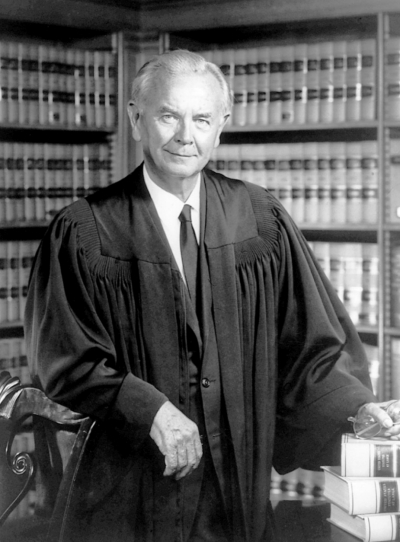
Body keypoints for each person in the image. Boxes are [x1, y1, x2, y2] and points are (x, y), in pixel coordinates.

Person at [25, 49, 400, 542]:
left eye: (202, 119)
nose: (186, 135)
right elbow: (64, 360)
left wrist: (354, 410)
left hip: (236, 495)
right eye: (168, 116)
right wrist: (149, 410)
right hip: (129, 502)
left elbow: (309, 347)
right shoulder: (86, 231)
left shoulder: (261, 221)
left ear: (221, 127)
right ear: (136, 119)